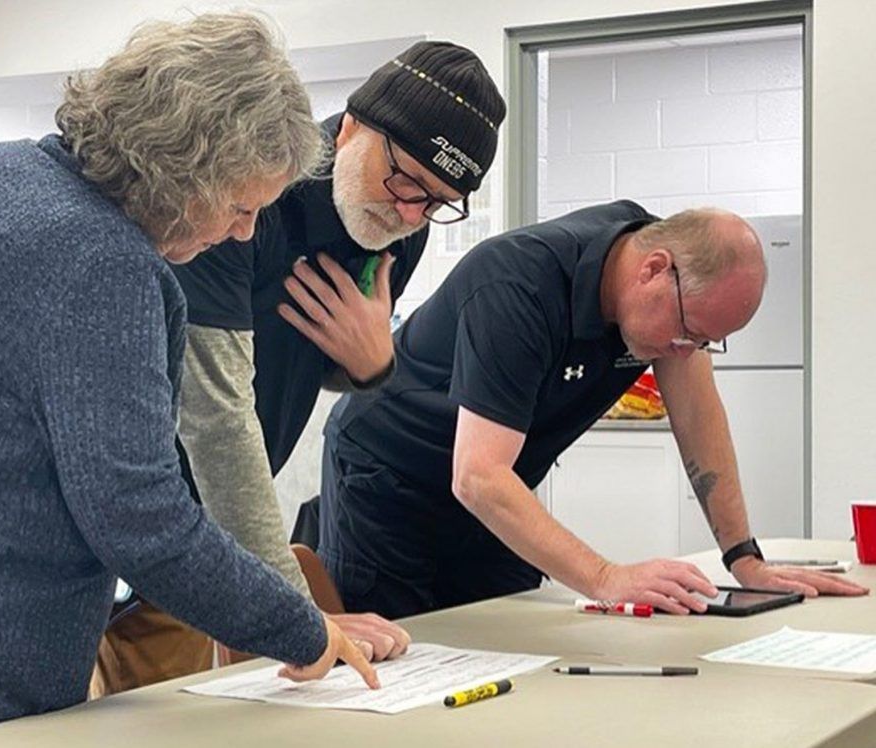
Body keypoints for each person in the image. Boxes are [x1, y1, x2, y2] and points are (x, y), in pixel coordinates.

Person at [0, 14, 379, 748]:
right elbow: (139, 518)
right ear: (185, 167)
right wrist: (301, 629)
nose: (243, 234)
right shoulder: (98, 259)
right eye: (241, 207)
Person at [88, 40, 507, 691]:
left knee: (166, 716)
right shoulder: (248, 200)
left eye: (437, 202)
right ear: (352, 127)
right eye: (405, 182)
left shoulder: (400, 228)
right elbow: (216, 416)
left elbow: (322, 363)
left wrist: (372, 368)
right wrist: (299, 615)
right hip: (143, 503)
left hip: (204, 531)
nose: (408, 213)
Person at [317, 201, 870, 620]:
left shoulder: (669, 283)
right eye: (685, 334)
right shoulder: (518, 285)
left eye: (702, 343)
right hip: (388, 481)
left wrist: (744, 558)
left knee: (515, 647)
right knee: (408, 663)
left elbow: (700, 418)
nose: (683, 352)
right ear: (654, 270)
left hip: (491, 493)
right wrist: (606, 577)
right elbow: (478, 475)